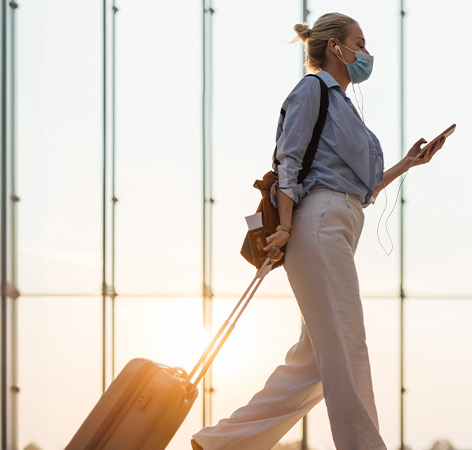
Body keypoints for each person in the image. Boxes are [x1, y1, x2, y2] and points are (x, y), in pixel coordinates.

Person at [192, 12, 446, 450]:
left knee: (313, 364)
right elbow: (288, 160)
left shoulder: (342, 104)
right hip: (318, 223)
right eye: (360, 43)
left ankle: (221, 444)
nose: (366, 53)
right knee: (348, 345)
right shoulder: (313, 90)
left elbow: (360, 188)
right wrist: (286, 225)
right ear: (335, 47)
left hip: (340, 221)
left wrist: (408, 164)